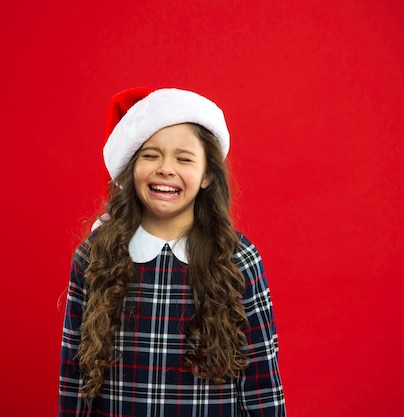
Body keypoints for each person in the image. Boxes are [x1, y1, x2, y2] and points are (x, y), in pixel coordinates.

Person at [59, 87, 286, 416]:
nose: (166, 168)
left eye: (184, 158)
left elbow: (262, 379)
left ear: (208, 174)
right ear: (130, 168)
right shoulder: (95, 256)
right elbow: (74, 377)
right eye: (151, 155)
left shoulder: (238, 258)